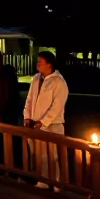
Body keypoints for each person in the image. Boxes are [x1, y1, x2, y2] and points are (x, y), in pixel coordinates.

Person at [23, 50, 69, 188]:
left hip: (52, 124)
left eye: (40, 62)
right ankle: (42, 180)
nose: (37, 64)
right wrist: (27, 116)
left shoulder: (59, 82)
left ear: (49, 64)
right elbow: (30, 99)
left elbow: (57, 106)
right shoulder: (36, 78)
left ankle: (55, 183)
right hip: (34, 123)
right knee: (38, 154)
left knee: (51, 156)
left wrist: (43, 122)